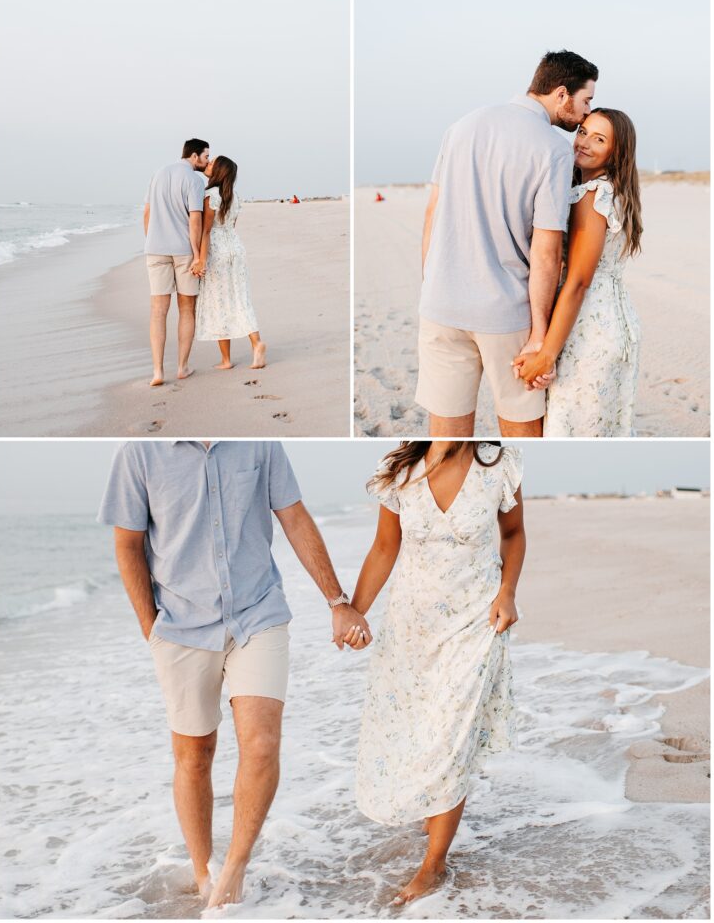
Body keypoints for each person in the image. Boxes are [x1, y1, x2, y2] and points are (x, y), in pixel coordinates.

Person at [97, 441, 371, 908]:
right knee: (195, 753)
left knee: (262, 745)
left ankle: (233, 870)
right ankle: (203, 869)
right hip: (180, 625)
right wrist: (151, 628)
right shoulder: (139, 454)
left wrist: (337, 601)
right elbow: (128, 543)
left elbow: (295, 517)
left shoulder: (260, 441)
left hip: (257, 612)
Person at [350, 441, 525, 904]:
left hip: (475, 621)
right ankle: (433, 818)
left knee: (451, 737)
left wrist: (507, 593)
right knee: (416, 731)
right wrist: (355, 611)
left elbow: (514, 534)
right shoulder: (400, 470)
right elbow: (385, 548)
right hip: (411, 627)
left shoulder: (498, 464)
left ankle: (434, 864)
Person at [416, 50, 598, 437]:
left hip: (440, 304)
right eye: (586, 102)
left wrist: (429, 283)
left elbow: (432, 213)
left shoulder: (463, 125)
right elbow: (546, 253)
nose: (584, 114)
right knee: (522, 433)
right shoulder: (552, 149)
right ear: (562, 93)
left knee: (446, 438)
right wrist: (539, 335)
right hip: (505, 313)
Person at [512, 109, 642, 436]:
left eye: (599, 139)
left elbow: (579, 281)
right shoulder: (616, 191)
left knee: (572, 427)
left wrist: (546, 354)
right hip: (616, 321)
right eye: (583, 132)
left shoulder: (593, 195)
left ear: (617, 152)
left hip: (589, 328)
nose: (583, 143)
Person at [143, 139, 209, 387]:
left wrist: (151, 240)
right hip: (183, 251)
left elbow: (147, 213)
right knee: (186, 309)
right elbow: (195, 220)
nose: (206, 161)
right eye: (205, 156)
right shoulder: (194, 180)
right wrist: (197, 254)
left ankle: (158, 372)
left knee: (158, 311)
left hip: (155, 249)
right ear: (194, 156)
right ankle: (182, 367)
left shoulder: (158, 173)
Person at [195, 156, 267, 370]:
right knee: (240, 298)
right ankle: (256, 343)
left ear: (218, 171)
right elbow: (231, 225)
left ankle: (226, 360)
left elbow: (207, 231)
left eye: (211, 164)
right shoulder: (234, 196)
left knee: (219, 301)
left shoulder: (210, 196)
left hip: (217, 251)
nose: (208, 165)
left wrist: (200, 259)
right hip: (236, 248)